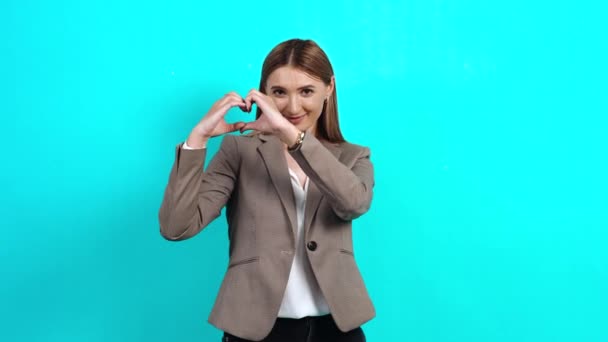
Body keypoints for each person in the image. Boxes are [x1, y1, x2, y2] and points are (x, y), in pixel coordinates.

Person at [158, 38, 375, 342]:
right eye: (279, 93)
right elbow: (176, 227)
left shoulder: (354, 156)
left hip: (336, 330)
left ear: (329, 88)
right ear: (264, 94)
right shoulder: (239, 151)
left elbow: (353, 203)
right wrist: (197, 140)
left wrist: (293, 138)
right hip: (256, 330)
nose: (293, 106)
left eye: (306, 91)